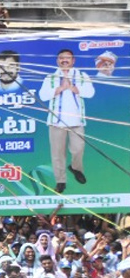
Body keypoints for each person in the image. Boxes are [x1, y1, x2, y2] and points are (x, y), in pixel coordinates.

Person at [39, 48, 95, 194]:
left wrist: (75, 89)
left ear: (73, 60)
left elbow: (90, 93)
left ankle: (76, 168)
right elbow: (43, 95)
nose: (64, 60)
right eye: (61, 58)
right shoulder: (50, 77)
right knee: (58, 154)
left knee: (78, 149)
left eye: (67, 58)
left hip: (77, 121)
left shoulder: (82, 76)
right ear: (58, 61)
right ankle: (61, 181)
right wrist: (59, 89)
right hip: (56, 122)